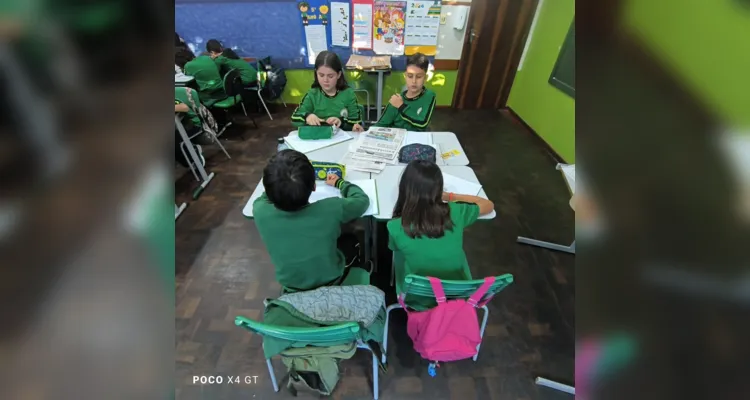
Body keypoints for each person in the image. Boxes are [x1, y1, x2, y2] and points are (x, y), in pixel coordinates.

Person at [253, 149, 371, 292]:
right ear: (314, 186)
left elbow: (265, 196)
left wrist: (278, 185)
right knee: (350, 239)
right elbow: (361, 200)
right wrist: (340, 183)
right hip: (331, 280)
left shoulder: (259, 210)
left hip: (291, 285)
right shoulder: (331, 208)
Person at [387, 160, 494, 305]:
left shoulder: (394, 226)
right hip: (458, 294)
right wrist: (452, 197)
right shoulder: (456, 211)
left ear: (405, 188)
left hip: (416, 298)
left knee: (399, 253)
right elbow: (488, 205)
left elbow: (395, 248)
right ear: (438, 188)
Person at [291, 51, 364, 132]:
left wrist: (341, 122)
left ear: (339, 74)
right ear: (316, 73)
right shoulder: (312, 94)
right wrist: (307, 116)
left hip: (341, 139)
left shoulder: (348, 93)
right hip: (318, 139)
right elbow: (295, 119)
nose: (325, 80)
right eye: (321, 75)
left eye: (330, 76)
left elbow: (356, 122)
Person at [373, 53, 436, 131]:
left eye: (419, 77)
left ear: (425, 78)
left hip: (417, 140)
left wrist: (401, 107)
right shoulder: (397, 100)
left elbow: (422, 123)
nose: (414, 81)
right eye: (410, 76)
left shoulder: (429, 96)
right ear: (405, 76)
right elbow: (381, 124)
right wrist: (365, 132)